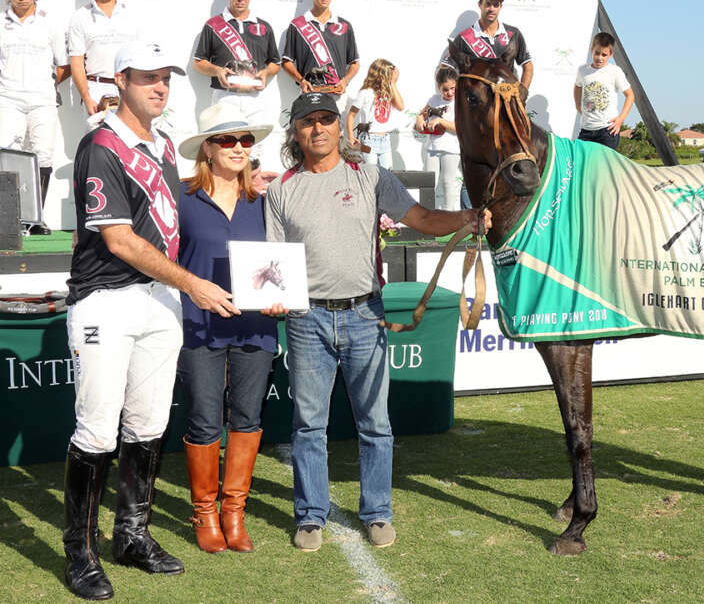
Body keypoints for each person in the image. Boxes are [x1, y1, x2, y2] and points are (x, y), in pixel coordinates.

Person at [264, 92, 490, 551]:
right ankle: (310, 516)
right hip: (307, 320)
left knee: (376, 424)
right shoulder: (280, 189)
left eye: (327, 119)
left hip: (366, 314)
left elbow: (422, 218)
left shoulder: (370, 175)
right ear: (296, 131)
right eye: (309, 122)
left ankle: (378, 512)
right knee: (308, 426)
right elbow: (273, 263)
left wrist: (468, 217)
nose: (319, 128)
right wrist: (273, 299)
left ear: (340, 128)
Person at [63, 42, 238, 600]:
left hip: (158, 301)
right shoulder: (100, 145)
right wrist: (193, 284)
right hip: (106, 299)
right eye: (147, 78)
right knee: (96, 429)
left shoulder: (161, 143)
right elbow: (118, 240)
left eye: (165, 78)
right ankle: (81, 553)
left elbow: (167, 221)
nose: (160, 87)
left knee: (148, 425)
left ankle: (131, 535)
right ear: (121, 80)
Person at [175, 103, 277, 554]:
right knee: (202, 421)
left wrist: (284, 297)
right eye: (228, 140)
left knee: (248, 418)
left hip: (258, 325)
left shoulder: (266, 201)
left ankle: (233, 513)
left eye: (246, 141)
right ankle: (204, 513)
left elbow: (282, 263)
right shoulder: (181, 198)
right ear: (207, 149)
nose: (239, 148)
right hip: (199, 326)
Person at [0, 0, 70, 235]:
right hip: (8, 99)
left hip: (43, 99)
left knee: (42, 155)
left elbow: (63, 66)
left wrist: (45, 86)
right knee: (7, 153)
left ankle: (35, 219)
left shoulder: (49, 22)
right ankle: (9, 220)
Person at [193, 0, 280, 162]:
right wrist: (217, 70)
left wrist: (266, 72)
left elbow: (275, 62)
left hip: (254, 97)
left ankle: (251, 189)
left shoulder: (264, 27)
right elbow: (198, 62)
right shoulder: (213, 25)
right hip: (226, 96)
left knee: (254, 151)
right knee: (223, 148)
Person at [68, 0, 140, 129]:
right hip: (96, 89)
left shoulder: (130, 15)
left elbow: (137, 56)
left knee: (127, 143)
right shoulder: (80, 17)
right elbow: (76, 61)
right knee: (96, 144)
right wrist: (86, 97)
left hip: (127, 88)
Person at [281, 0, 359, 96]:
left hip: (337, 94)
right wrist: (302, 81)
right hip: (309, 93)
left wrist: (345, 81)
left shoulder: (344, 26)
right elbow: (286, 62)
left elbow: (354, 62)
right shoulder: (297, 25)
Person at [443, 0, 532, 88]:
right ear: (480, 5)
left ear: (500, 7)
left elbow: (528, 66)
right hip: (477, 101)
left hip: (506, 99)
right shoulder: (464, 38)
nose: (491, 9)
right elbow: (446, 68)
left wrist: (522, 93)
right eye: (488, 4)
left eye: (496, 5)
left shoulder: (513, 34)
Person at [573, 32, 634, 150]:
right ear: (592, 50)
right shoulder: (583, 70)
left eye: (604, 55)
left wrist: (620, 120)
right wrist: (577, 105)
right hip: (586, 130)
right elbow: (577, 86)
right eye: (597, 53)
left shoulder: (615, 71)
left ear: (611, 54)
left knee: (605, 167)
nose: (599, 58)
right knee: (583, 164)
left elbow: (630, 95)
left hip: (607, 131)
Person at [414, 65, 462, 209]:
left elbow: (459, 128)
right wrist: (420, 121)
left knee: (449, 183)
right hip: (432, 148)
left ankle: (449, 217)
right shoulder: (434, 99)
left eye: (452, 88)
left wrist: (441, 121)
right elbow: (421, 115)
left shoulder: (460, 102)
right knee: (429, 183)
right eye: (445, 89)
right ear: (438, 87)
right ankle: (426, 216)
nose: (449, 92)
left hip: (451, 149)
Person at [345, 59, 404, 169]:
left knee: (387, 174)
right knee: (370, 173)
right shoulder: (365, 92)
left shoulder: (388, 92)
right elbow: (351, 114)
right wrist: (351, 136)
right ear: (380, 75)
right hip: (368, 140)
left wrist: (393, 84)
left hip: (385, 140)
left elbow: (400, 107)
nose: (391, 78)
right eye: (389, 75)